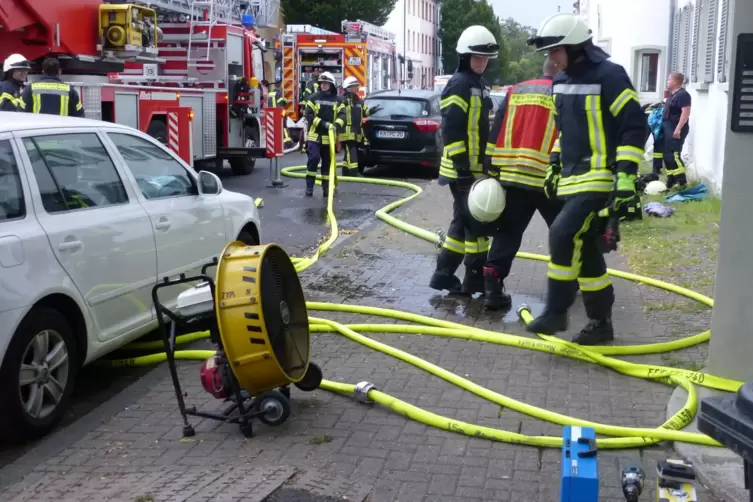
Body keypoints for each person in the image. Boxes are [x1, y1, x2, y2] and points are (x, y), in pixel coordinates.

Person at [525, 12, 646, 345]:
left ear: (576, 47)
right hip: (573, 181)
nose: (550, 59)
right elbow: (567, 131)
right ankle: (600, 323)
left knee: (562, 234)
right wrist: (553, 162)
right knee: (588, 250)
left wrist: (624, 177)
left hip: (602, 181)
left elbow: (635, 127)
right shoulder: (561, 82)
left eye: (555, 51)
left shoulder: (610, 76)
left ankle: (556, 310)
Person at [481, 57, 561, 310]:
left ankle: (492, 286)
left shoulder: (516, 90)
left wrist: (490, 160)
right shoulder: (563, 91)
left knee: (508, 233)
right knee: (565, 233)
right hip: (549, 178)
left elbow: (498, 125)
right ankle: (571, 284)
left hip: (514, 174)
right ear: (558, 68)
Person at [428, 25, 498, 296]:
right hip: (462, 170)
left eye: (485, 58)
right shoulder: (459, 84)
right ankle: (474, 279)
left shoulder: (477, 85)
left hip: (472, 169)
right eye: (477, 57)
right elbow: (452, 129)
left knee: (461, 224)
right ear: (465, 57)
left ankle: (443, 275)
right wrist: (462, 168)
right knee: (476, 225)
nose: (481, 63)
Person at [303, 71, 345, 197]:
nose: (324, 85)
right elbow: (309, 114)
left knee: (327, 164)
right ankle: (309, 187)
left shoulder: (338, 100)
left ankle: (326, 189)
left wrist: (336, 125)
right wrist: (324, 124)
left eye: (326, 83)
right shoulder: (314, 98)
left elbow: (342, 115)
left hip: (329, 138)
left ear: (331, 85)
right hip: (315, 135)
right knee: (313, 159)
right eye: (322, 83)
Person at [338, 76, 380, 176]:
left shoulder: (359, 101)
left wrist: (373, 110)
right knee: (352, 152)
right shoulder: (343, 100)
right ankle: (353, 172)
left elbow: (365, 113)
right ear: (348, 88)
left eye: (356, 87)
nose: (356, 89)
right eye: (354, 87)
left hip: (356, 132)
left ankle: (345, 170)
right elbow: (338, 114)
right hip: (347, 132)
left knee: (349, 152)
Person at [662, 72, 691, 189]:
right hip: (668, 128)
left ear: (675, 81)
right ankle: (671, 182)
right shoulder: (672, 95)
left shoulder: (683, 95)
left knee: (674, 155)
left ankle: (682, 182)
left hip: (676, 128)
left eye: (669, 79)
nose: (667, 81)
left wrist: (678, 128)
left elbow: (686, 113)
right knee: (667, 156)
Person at [266, 78, 292, 147]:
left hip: (271, 114)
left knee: (274, 130)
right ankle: (287, 142)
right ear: (280, 86)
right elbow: (281, 107)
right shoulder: (278, 94)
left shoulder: (270, 93)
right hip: (278, 114)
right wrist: (283, 116)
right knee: (284, 128)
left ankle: (274, 143)